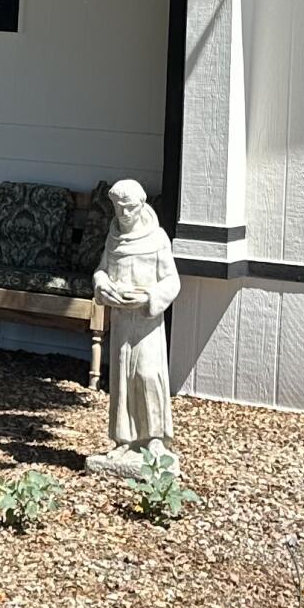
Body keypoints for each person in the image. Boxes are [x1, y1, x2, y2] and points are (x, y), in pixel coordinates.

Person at [86, 178, 181, 479]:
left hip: (147, 321)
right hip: (122, 320)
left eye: (130, 207)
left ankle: (155, 439)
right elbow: (101, 270)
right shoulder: (114, 238)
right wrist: (103, 286)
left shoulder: (157, 239)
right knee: (122, 378)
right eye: (118, 207)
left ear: (141, 205)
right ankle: (123, 441)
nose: (124, 213)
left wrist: (150, 298)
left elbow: (172, 281)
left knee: (147, 375)